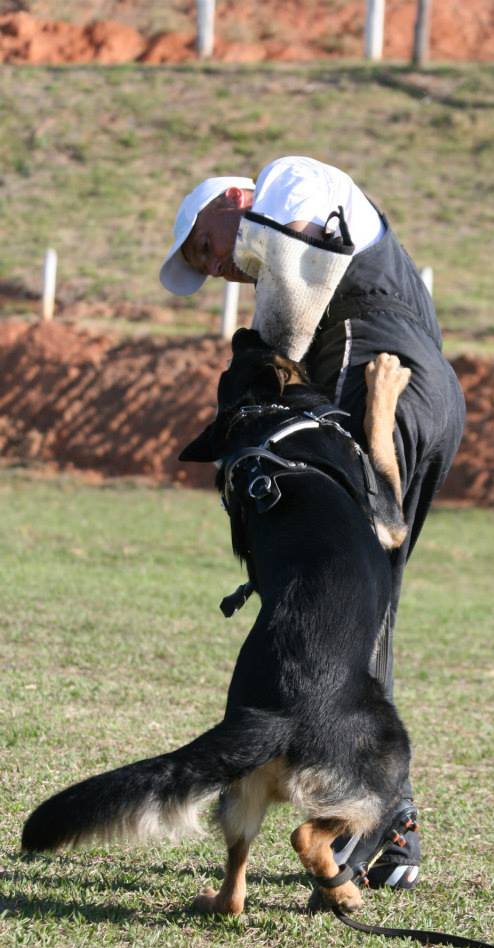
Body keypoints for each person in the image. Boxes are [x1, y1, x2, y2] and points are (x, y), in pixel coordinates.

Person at [160, 156, 465, 891]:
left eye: (206, 245)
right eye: (206, 267)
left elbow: (290, 301)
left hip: (381, 386)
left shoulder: (290, 181)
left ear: (234, 199)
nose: (218, 267)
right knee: (358, 609)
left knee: (345, 619)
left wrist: (262, 374)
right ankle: (382, 826)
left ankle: (371, 828)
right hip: (415, 395)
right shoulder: (294, 235)